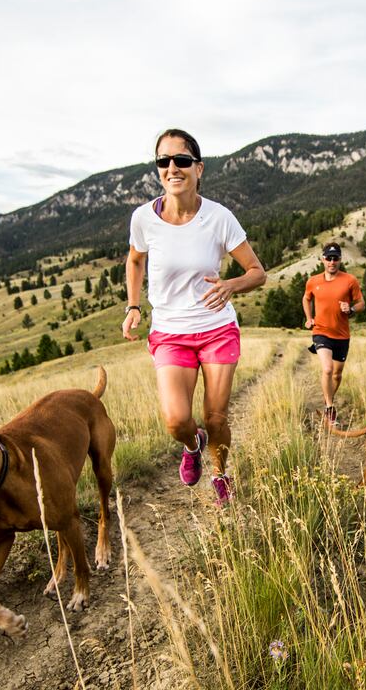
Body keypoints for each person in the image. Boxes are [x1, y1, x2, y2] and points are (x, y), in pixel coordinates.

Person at [122, 129, 266, 506]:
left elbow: (257, 271)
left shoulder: (219, 218)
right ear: (158, 170)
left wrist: (231, 285)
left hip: (217, 329)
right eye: (164, 161)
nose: (173, 168)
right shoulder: (144, 219)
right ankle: (193, 443)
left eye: (182, 161)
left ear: (198, 169)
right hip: (170, 333)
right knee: (176, 421)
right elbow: (136, 259)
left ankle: (220, 474)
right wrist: (133, 305)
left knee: (216, 417)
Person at [303, 242, 364, 426]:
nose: (332, 261)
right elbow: (306, 299)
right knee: (327, 369)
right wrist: (309, 318)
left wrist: (351, 309)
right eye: (328, 258)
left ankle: (327, 398)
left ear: (340, 260)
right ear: (322, 259)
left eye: (335, 258)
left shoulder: (350, 280)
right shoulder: (313, 281)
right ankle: (330, 408)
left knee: (337, 375)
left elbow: (362, 304)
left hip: (342, 335)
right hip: (321, 332)